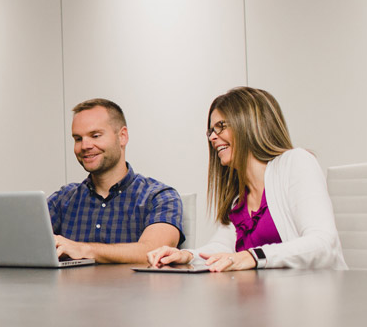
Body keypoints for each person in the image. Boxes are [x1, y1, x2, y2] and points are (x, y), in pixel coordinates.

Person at [147, 87, 348, 271]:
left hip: (312, 300)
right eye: (211, 130)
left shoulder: (296, 162)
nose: (212, 138)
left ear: (249, 124)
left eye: (221, 126)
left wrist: (254, 256)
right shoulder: (239, 200)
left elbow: (323, 243)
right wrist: (188, 255)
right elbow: (221, 247)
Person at [48, 99, 184, 263]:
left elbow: (154, 251)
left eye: (95, 135)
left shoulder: (160, 196)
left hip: (134, 289)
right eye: (78, 139)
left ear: (122, 136)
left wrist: (83, 249)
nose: (84, 145)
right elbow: (24, 243)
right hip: (69, 288)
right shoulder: (63, 199)